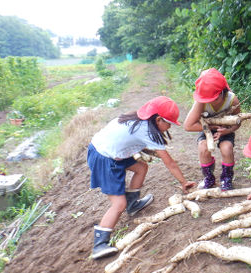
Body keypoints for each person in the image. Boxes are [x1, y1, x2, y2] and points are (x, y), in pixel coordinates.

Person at [87, 96, 196, 259]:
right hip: (104, 158)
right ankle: (99, 244)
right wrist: (184, 182)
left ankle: (133, 204)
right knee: (118, 204)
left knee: (141, 167)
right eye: (169, 124)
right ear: (158, 119)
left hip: (105, 150)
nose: (169, 128)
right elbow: (170, 162)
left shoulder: (138, 120)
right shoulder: (146, 131)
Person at [184, 68, 241, 191]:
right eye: (207, 99)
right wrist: (209, 128)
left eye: (214, 98)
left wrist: (228, 130)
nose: (210, 101)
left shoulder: (232, 99)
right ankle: (208, 178)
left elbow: (238, 121)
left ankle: (226, 178)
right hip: (206, 127)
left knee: (227, 149)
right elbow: (188, 126)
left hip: (225, 128)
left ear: (222, 92)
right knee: (203, 148)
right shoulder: (201, 101)